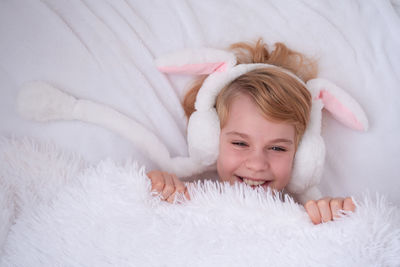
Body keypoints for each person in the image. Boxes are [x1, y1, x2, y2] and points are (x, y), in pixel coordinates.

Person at [147, 39, 355, 225]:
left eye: (277, 147)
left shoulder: (307, 218)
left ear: (301, 155)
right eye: (240, 143)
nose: (256, 165)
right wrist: (155, 186)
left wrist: (334, 218)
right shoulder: (186, 197)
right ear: (211, 140)